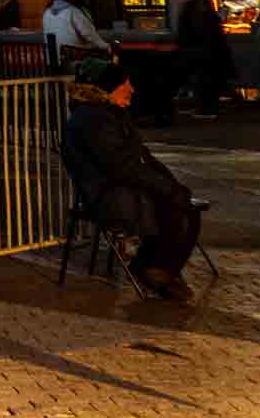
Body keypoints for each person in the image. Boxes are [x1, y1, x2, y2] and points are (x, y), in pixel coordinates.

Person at [64, 60, 202, 300]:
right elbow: (121, 166)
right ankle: (157, 270)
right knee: (176, 209)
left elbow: (141, 156)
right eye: (126, 84)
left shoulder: (109, 114)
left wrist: (170, 184)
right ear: (110, 87)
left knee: (184, 206)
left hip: (122, 186)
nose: (132, 89)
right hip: (108, 193)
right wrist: (165, 188)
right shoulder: (94, 119)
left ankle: (156, 268)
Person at [173, 0, 233, 119]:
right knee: (208, 80)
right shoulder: (203, 5)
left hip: (201, 51)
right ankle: (209, 107)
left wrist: (187, 45)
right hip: (209, 51)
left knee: (204, 80)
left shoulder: (194, 8)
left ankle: (207, 109)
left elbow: (196, 31)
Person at [42, 0, 109, 61]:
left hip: (52, 58)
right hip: (73, 56)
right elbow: (88, 34)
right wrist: (106, 46)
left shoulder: (47, 12)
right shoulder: (73, 11)